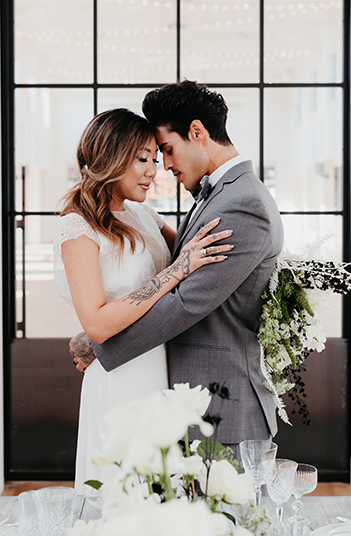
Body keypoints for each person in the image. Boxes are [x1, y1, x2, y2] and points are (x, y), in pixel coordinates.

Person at [70, 80, 284, 453]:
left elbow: (188, 301)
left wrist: (99, 342)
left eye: (165, 151)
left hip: (221, 402)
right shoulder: (219, 194)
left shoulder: (241, 202)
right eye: (149, 157)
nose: (164, 167)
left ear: (197, 132)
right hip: (173, 389)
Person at [52, 108, 233, 492]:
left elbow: (194, 259)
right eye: (142, 159)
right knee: (123, 490)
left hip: (162, 368)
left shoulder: (143, 214)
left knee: (162, 489)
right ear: (109, 158)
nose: (155, 170)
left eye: (156, 157)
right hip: (120, 376)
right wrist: (176, 271)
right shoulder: (77, 226)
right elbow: (97, 324)